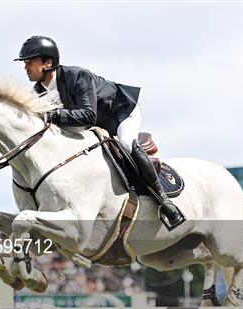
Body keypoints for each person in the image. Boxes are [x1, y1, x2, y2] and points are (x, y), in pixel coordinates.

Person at [15, 36, 183, 228]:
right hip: (94, 126)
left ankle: (165, 202)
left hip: (120, 112)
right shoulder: (37, 92)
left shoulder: (77, 76)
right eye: (25, 63)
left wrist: (53, 114)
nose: (25, 67)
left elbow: (87, 115)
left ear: (48, 63)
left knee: (128, 144)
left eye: (30, 63)